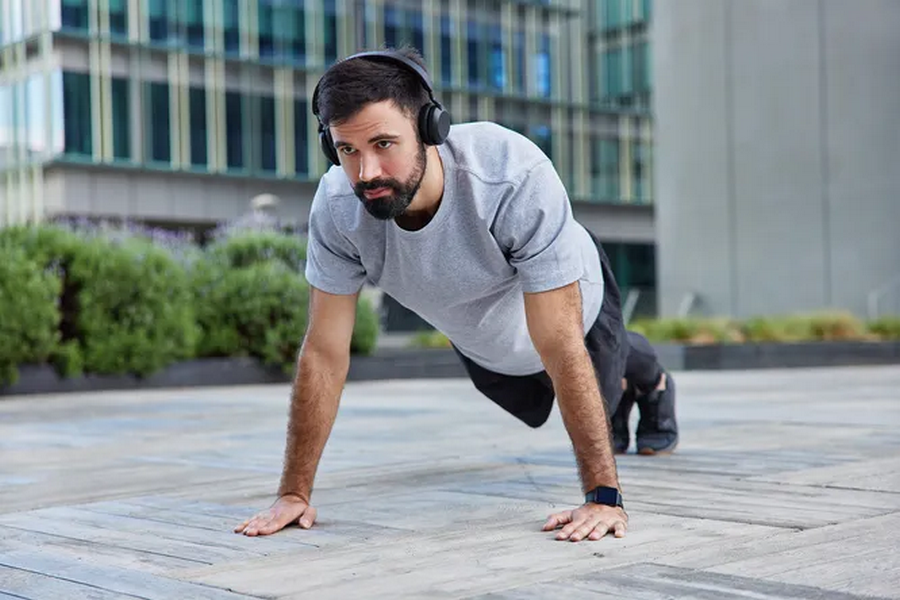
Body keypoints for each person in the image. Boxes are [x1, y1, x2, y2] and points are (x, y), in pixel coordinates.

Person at [234, 47, 676, 544]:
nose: (366, 173)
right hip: (488, 340)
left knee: (603, 378)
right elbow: (323, 352)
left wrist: (603, 497)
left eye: (384, 143)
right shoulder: (338, 208)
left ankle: (653, 384)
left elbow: (559, 339)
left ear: (431, 129)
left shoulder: (510, 173)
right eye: (347, 150)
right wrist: (294, 492)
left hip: (574, 307)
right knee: (535, 375)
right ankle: (622, 383)